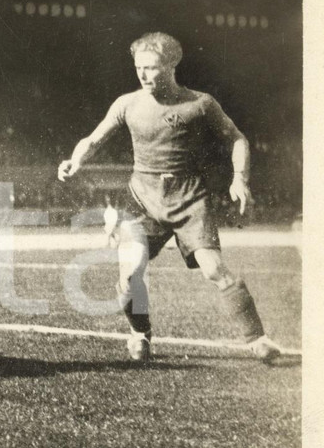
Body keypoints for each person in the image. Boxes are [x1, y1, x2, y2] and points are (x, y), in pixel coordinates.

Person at [57, 32, 280, 362]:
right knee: (130, 274)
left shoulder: (200, 104)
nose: (144, 75)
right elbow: (93, 139)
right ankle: (140, 334)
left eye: (152, 68)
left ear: (173, 64)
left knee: (215, 270)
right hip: (142, 200)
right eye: (139, 68)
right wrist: (76, 160)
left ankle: (258, 339)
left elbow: (237, 139)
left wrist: (240, 179)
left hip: (189, 200)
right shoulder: (127, 104)